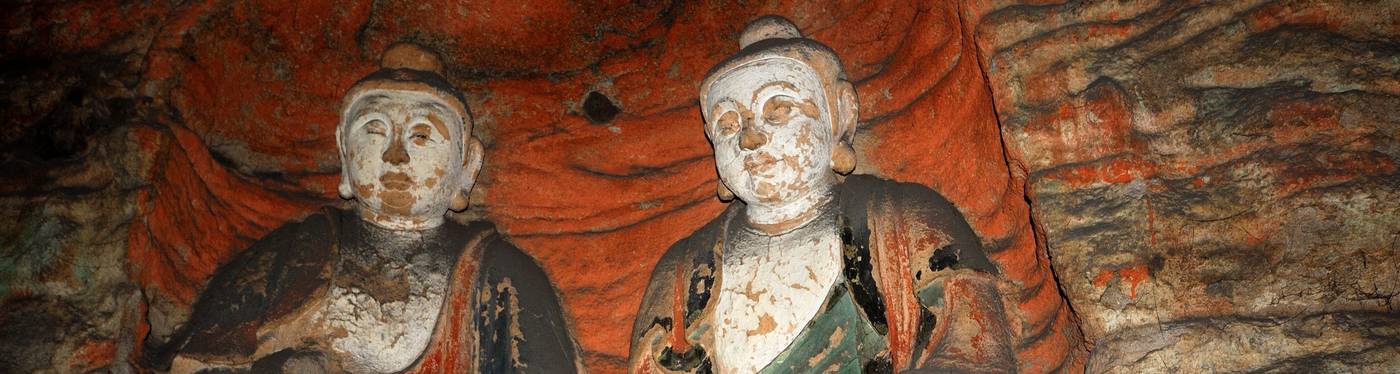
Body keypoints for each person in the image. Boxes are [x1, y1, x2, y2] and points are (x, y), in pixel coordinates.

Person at [145, 43, 582, 373]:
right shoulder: (292, 254)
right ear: (344, 152)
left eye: (422, 135)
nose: (395, 156)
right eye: (374, 130)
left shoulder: (501, 276)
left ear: (466, 166)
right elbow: (195, 361)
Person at [629, 16, 1016, 373]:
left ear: (840, 117)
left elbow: (974, 349)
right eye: (728, 124)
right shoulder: (682, 271)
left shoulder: (903, 220)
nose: (750, 139)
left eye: (779, 109)